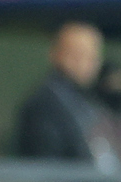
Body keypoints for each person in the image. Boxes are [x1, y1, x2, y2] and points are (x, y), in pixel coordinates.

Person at [13, 20, 115, 166]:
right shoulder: (46, 103)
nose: (85, 63)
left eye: (92, 56)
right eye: (76, 54)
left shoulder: (87, 101)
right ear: (55, 54)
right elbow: (46, 168)